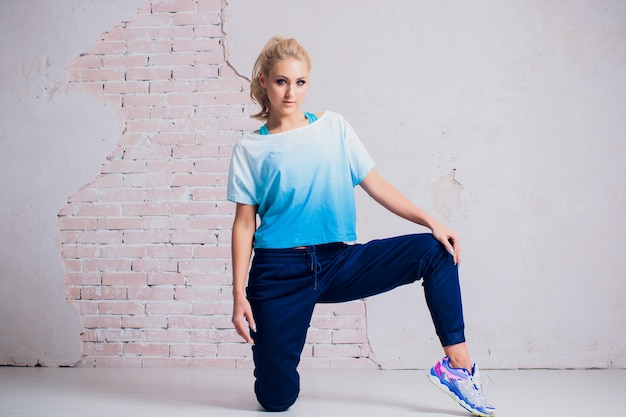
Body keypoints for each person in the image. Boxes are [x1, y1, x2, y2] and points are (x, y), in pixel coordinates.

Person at [227, 36, 496, 417]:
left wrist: (432, 221)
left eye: (300, 82)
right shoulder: (250, 148)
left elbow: (377, 185)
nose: (291, 92)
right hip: (278, 272)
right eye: (281, 81)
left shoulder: (334, 128)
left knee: (436, 251)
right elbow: (243, 224)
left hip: (337, 262)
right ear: (263, 82)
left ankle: (458, 367)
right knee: (275, 399)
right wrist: (238, 294)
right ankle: (281, 362)